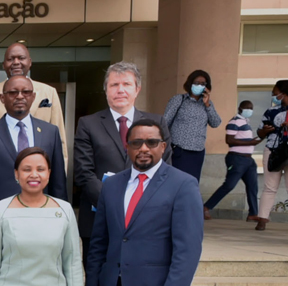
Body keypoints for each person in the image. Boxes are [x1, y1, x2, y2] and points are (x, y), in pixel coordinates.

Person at [86, 118, 203, 286]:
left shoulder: (183, 185)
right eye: (136, 143)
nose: (143, 149)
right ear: (127, 147)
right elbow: (99, 243)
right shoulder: (111, 185)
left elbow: (187, 250)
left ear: (163, 147)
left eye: (151, 142)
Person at [73, 61, 169, 260]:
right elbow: (84, 172)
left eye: (126, 84)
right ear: (106, 90)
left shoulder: (157, 123)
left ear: (137, 89)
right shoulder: (87, 124)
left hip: (146, 219)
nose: (120, 90)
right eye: (114, 85)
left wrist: (138, 207)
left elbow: (164, 170)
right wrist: (115, 206)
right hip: (99, 219)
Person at [0, 75, 67, 251]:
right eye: (13, 92)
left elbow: (58, 184)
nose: (20, 96)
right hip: (1, 223)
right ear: (2, 98)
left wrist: (62, 224)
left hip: (43, 221)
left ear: (33, 96)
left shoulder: (50, 132)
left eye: (26, 92)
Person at [0, 147, 82, 286]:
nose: (34, 174)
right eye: (27, 169)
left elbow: (72, 263)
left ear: (49, 174)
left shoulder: (65, 210)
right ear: (16, 174)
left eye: (40, 169)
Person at [0, 43, 67, 165]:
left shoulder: (49, 92)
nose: (16, 62)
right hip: (2, 172)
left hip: (40, 175)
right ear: (4, 65)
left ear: (30, 62)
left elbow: (60, 142)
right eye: (10, 59)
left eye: (21, 58)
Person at [204, 100, 264, 221]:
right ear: (240, 108)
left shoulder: (246, 122)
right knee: (229, 185)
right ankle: (205, 207)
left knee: (253, 187)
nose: (249, 110)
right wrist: (251, 142)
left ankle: (253, 213)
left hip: (249, 160)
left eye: (251, 108)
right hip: (237, 159)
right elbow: (229, 140)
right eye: (247, 108)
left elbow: (246, 139)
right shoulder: (234, 121)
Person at [163, 69, 222, 181]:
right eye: (196, 83)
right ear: (190, 84)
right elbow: (165, 122)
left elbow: (216, 123)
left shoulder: (207, 103)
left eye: (203, 84)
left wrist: (207, 104)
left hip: (197, 152)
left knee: (192, 184)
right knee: (176, 182)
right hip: (179, 151)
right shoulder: (179, 100)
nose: (199, 86)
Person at [255, 79, 288, 231]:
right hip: (272, 150)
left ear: (284, 94)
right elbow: (259, 131)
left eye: (275, 93)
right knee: (269, 186)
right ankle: (262, 219)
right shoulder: (271, 111)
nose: (273, 96)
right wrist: (264, 131)